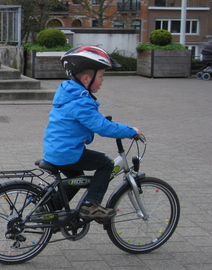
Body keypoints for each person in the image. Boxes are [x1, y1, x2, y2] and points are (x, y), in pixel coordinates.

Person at [43, 45, 140, 221]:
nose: (102, 81)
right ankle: (91, 205)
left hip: (55, 149)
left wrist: (97, 117)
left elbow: (80, 118)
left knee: (76, 179)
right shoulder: (81, 101)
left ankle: (50, 212)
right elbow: (103, 128)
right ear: (87, 78)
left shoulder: (70, 93)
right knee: (105, 164)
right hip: (67, 152)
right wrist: (130, 131)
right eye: (101, 76)